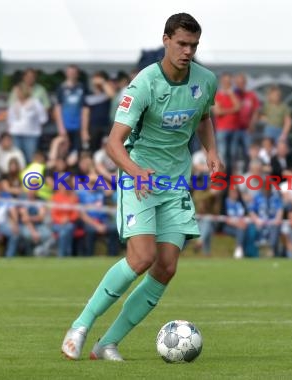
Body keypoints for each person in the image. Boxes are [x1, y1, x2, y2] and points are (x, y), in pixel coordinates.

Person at [61, 13, 222, 361]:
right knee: (142, 258)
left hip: (175, 183)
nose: (187, 51)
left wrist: (211, 151)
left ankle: (107, 344)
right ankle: (80, 325)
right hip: (139, 179)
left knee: (166, 267)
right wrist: (135, 171)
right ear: (166, 40)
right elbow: (113, 144)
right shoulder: (144, 84)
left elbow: (204, 116)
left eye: (193, 45)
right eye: (181, 44)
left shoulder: (206, 80)